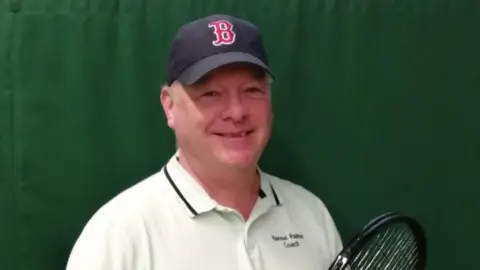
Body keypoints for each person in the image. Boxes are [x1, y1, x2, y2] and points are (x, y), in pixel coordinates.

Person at [65, 14, 343, 270]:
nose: (236, 112)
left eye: (251, 90)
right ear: (169, 106)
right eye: (211, 94)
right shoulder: (118, 234)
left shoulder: (311, 214)